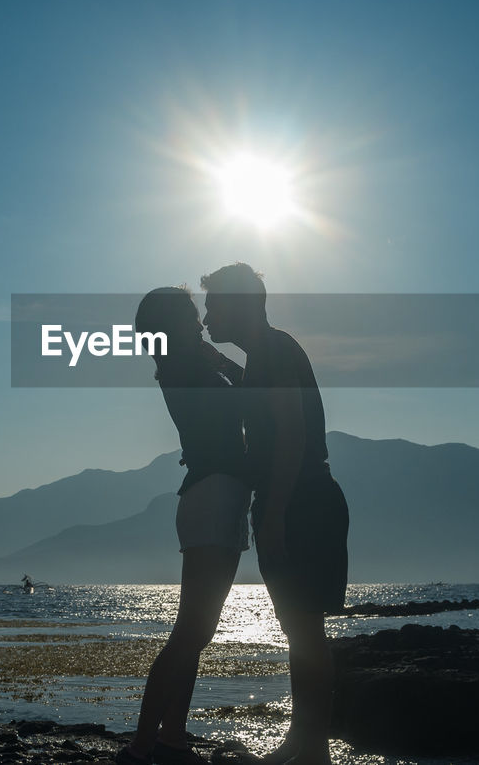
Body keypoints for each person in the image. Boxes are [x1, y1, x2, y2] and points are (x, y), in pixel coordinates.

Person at [199, 263, 349, 765]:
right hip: (300, 499)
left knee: (304, 630)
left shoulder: (275, 351)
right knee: (299, 627)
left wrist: (276, 513)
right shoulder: (268, 354)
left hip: (301, 501)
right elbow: (267, 402)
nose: (204, 316)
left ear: (238, 305)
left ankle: (313, 749)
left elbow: (291, 433)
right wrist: (224, 368)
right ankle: (305, 744)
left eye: (212, 304)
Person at [117, 286, 250, 765]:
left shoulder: (183, 367)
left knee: (197, 631)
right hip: (214, 495)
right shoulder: (191, 368)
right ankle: (141, 746)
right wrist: (225, 363)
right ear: (174, 325)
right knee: (191, 631)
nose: (200, 323)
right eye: (193, 316)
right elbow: (252, 400)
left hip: (216, 494)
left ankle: (170, 735)